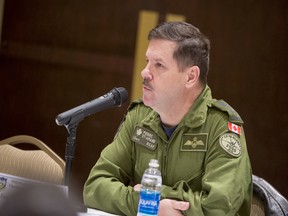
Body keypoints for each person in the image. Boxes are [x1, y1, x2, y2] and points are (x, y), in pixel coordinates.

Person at [83, 21, 252, 216]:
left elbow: (218, 208)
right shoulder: (139, 117)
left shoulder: (221, 127)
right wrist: (147, 205)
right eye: (147, 61)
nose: (144, 72)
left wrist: (153, 196)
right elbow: (95, 187)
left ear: (190, 77)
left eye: (159, 65)